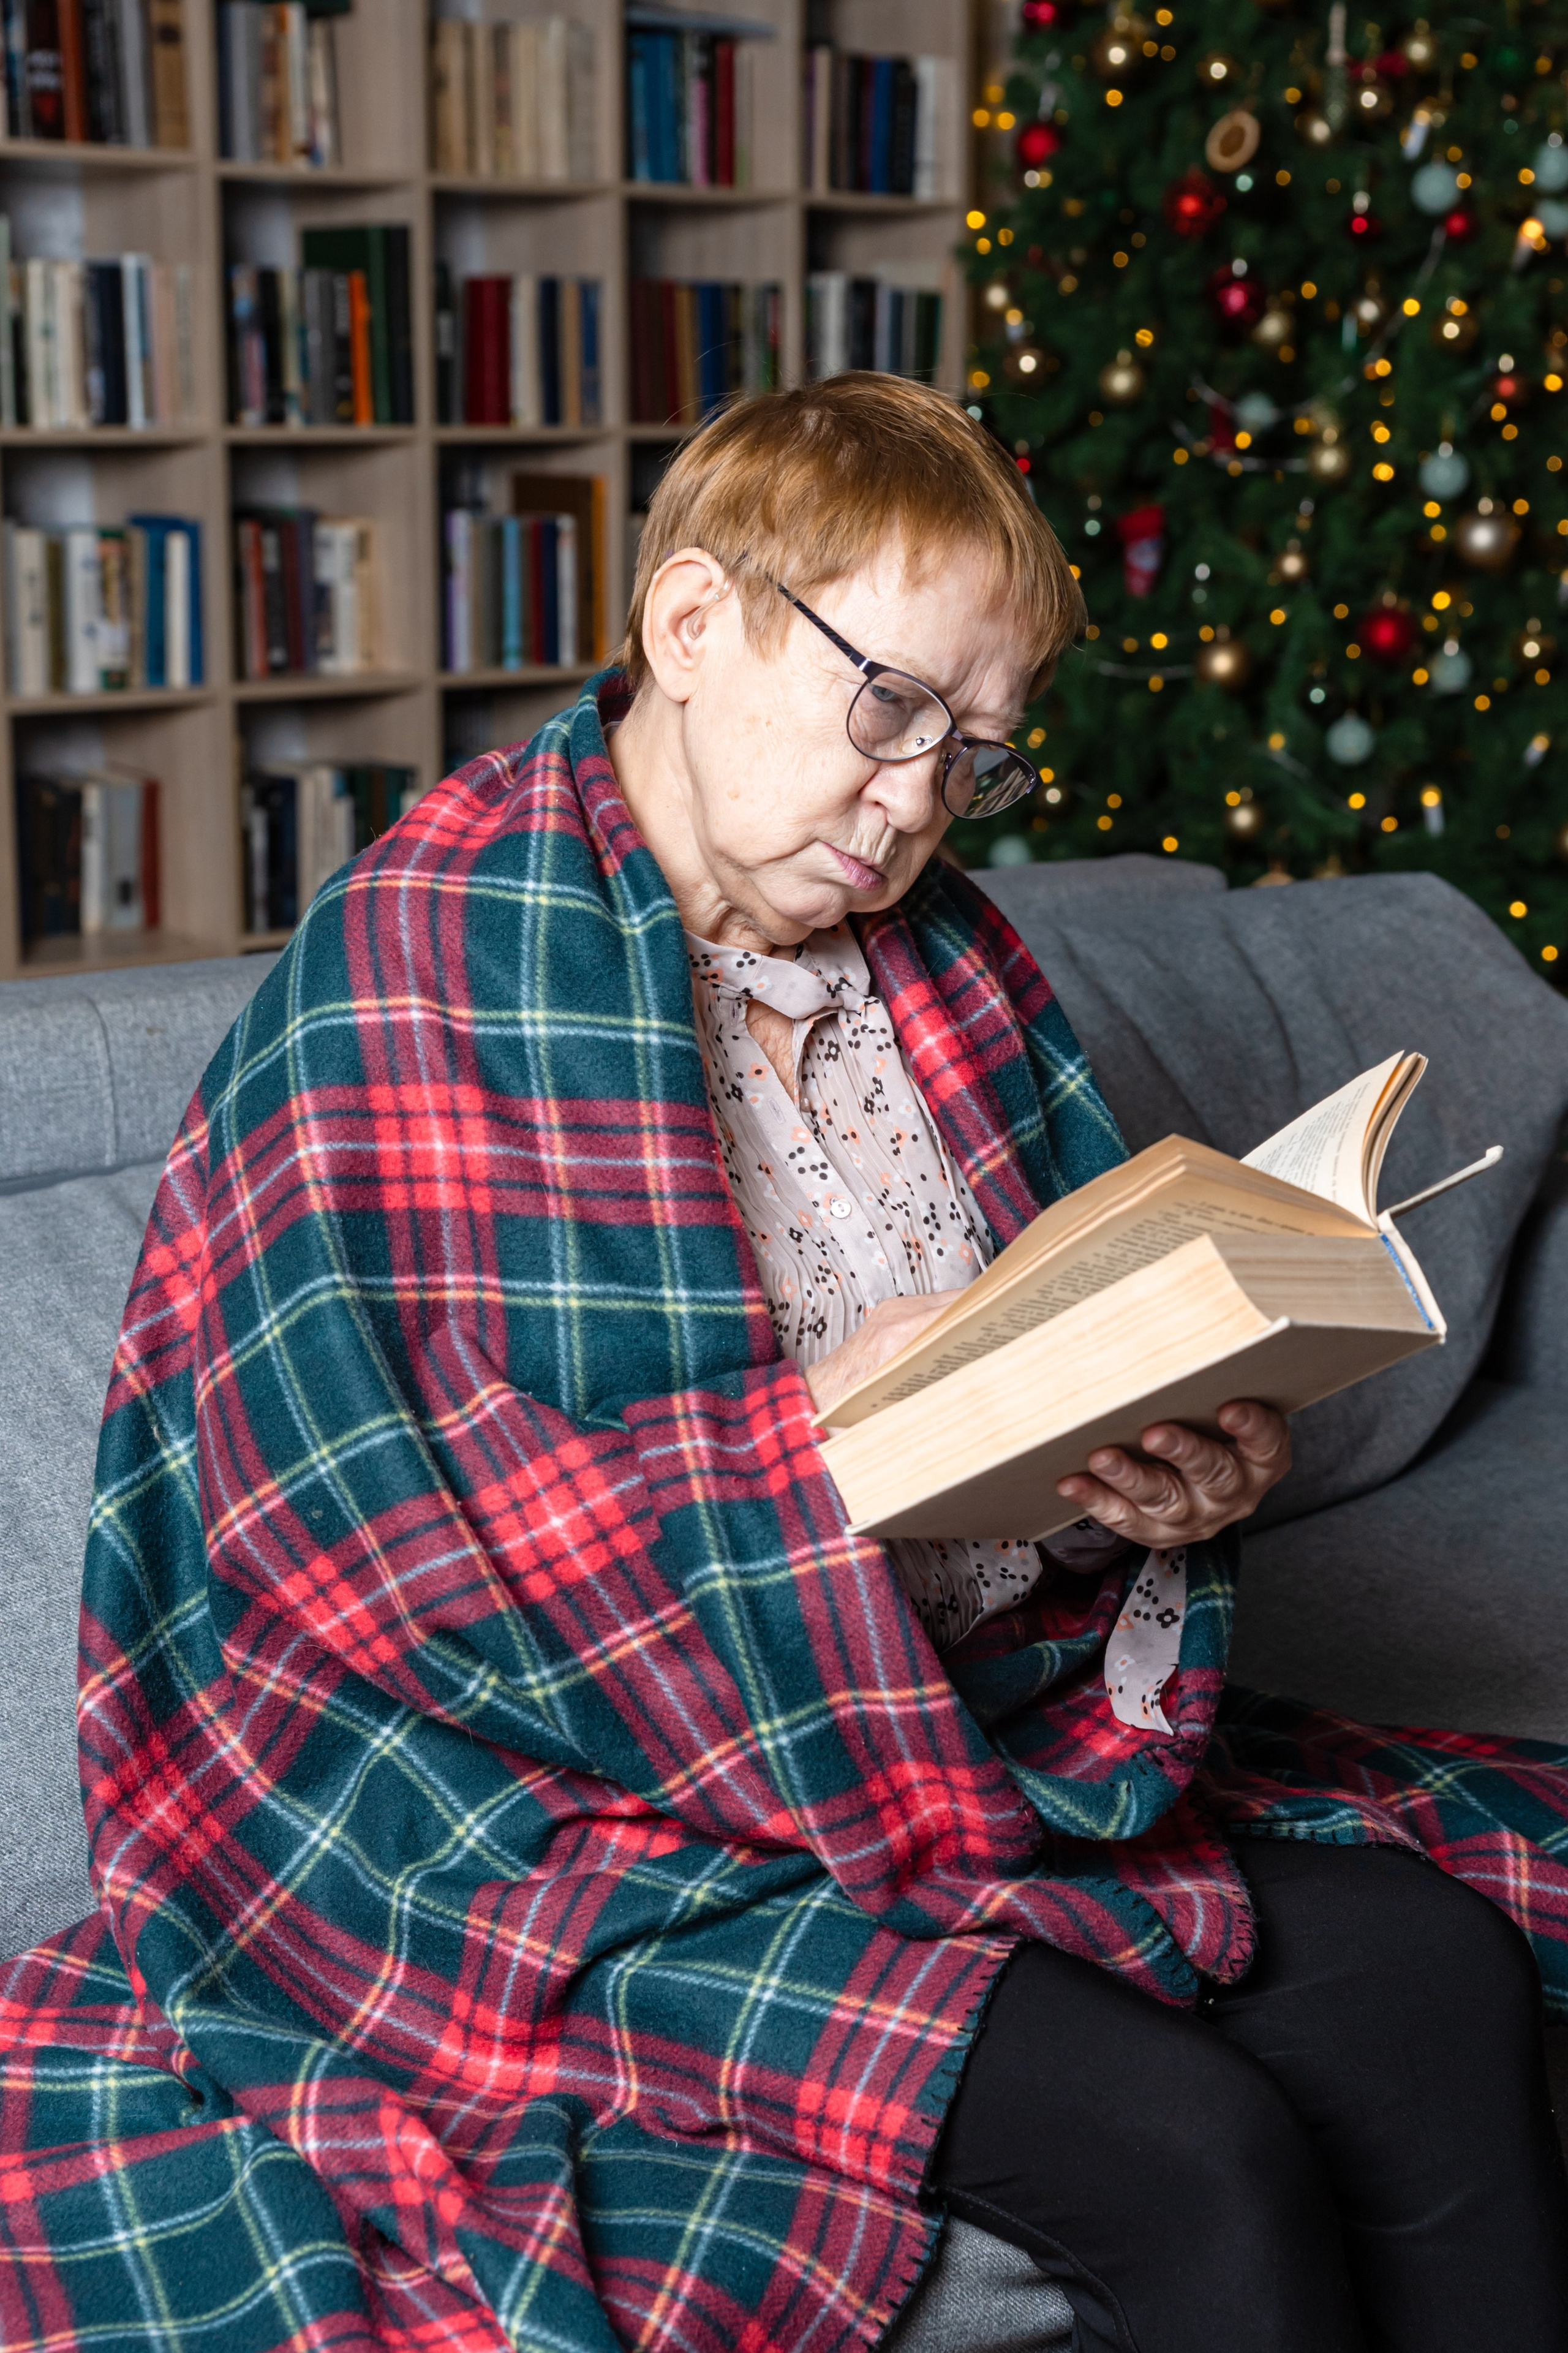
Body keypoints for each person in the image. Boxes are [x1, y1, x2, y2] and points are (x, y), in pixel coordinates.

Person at [0, 374, 1566, 2353]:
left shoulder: (957, 964)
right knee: (1190, 2152)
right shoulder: (426, 951)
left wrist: (1151, 1504)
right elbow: (384, 1546)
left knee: (1441, 1977)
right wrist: (815, 1436)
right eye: (889, 705)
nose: (915, 797)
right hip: (518, 1820)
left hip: (920, 1743)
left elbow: (1048, 1381)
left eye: (976, 752)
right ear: (688, 625)